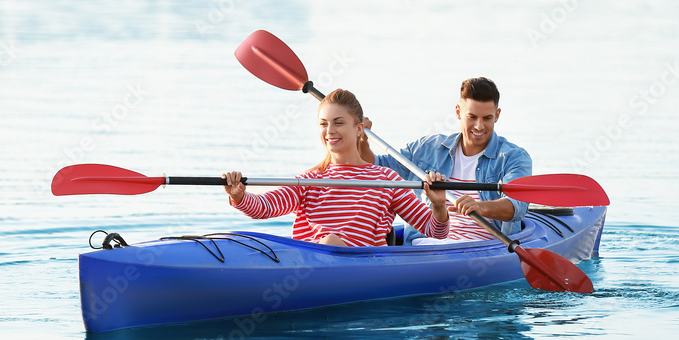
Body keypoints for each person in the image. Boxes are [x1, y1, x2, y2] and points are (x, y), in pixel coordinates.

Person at [222, 89, 450, 247]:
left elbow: (436, 230)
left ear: (359, 129)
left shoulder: (386, 180)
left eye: (338, 122)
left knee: (332, 241)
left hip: (360, 266)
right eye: (323, 124)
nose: (329, 131)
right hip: (310, 262)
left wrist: (439, 204)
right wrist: (239, 195)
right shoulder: (309, 180)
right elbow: (264, 207)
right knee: (328, 241)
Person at [359, 77, 532, 244]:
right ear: (458, 112)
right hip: (425, 245)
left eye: (487, 118)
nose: (479, 126)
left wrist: (480, 207)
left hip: (482, 249)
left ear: (497, 115)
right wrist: (362, 142)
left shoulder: (514, 157)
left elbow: (517, 206)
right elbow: (377, 168)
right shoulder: (426, 148)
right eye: (471, 117)